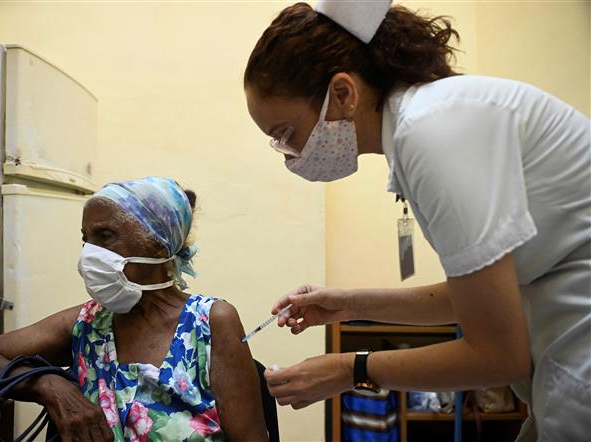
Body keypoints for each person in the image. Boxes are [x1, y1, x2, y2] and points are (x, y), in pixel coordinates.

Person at [243, 1, 590, 440]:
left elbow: (498, 354)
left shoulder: (431, 132)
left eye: (286, 134)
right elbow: (478, 298)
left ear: (344, 93)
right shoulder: (425, 125)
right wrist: (349, 305)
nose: (289, 156)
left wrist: (351, 369)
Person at [0, 177, 268, 442]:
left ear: (158, 241)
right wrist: (50, 385)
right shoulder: (87, 322)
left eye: (105, 236)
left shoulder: (211, 321)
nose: (89, 254)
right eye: (86, 239)